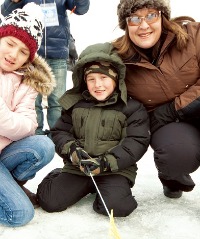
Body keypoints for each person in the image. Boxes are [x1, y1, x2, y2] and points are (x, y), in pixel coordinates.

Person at [37, 42, 150, 217]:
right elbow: (59, 132)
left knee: (117, 208)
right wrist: (72, 151)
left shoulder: (132, 108)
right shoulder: (75, 104)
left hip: (115, 169)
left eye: (104, 78)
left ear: (116, 78)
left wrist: (106, 162)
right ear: (84, 81)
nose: (98, 84)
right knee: (50, 201)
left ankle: (108, 191)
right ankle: (59, 177)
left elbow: (136, 142)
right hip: (79, 168)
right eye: (91, 79)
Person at [113, 0, 200, 199]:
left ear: (162, 16)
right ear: (126, 24)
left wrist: (171, 109)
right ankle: (172, 175)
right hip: (172, 126)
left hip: (180, 112)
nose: (144, 25)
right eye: (135, 18)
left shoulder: (194, 36)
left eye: (151, 15)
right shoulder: (120, 59)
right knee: (176, 154)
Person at [0, 3, 55, 227]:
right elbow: (17, 124)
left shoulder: (27, 82)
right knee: (20, 214)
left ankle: (9, 185)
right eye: (10, 44)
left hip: (4, 153)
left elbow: (29, 125)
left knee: (43, 145)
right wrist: (9, 121)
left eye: (23, 51)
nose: (14, 54)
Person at [1, 0, 90, 136]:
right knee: (33, 102)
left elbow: (81, 9)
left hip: (58, 52)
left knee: (58, 100)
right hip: (29, 56)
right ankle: (34, 135)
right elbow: (6, 12)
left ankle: (59, 135)